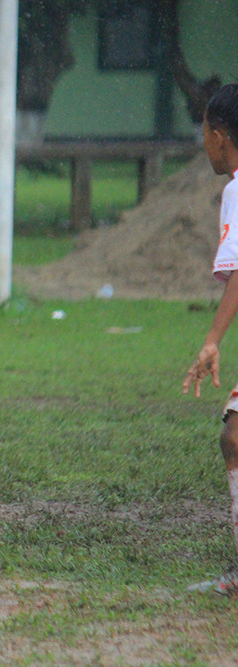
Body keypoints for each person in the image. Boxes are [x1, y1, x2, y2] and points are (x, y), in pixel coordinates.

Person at [182, 81, 238, 597]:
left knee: (236, 437)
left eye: (203, 134)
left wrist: (213, 339)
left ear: (220, 137)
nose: (204, 145)